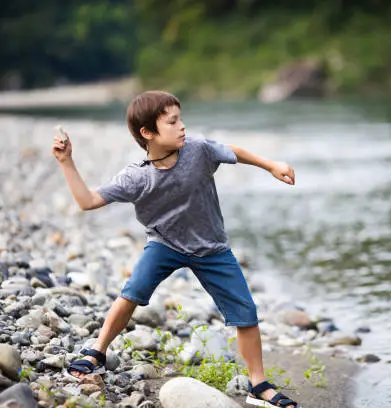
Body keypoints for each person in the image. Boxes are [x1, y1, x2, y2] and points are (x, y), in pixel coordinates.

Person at [52, 90, 301, 408]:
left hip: (211, 247)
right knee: (132, 292)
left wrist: (270, 164)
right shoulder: (137, 177)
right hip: (164, 243)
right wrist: (66, 161)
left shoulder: (197, 149)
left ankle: (258, 385)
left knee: (245, 312)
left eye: (180, 118)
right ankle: (97, 351)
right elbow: (87, 201)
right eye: (172, 122)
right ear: (148, 133)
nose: (182, 126)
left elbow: (233, 151)